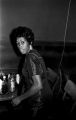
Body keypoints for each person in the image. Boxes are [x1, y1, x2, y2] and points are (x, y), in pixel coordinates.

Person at [9, 26, 53, 119]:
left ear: (30, 42)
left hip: (38, 103)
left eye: (22, 42)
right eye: (17, 43)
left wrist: (19, 98)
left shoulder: (30, 57)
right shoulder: (34, 53)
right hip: (44, 99)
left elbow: (38, 85)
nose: (19, 46)